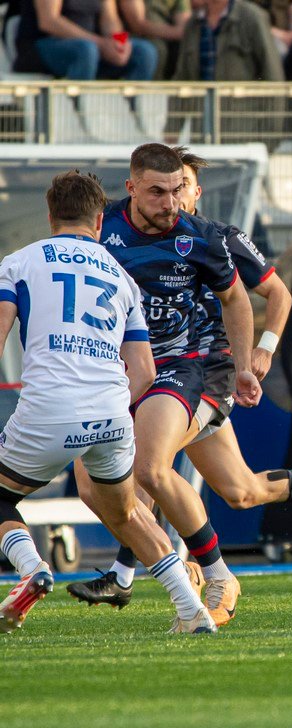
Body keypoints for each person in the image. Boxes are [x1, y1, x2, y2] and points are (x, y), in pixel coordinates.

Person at [0, 172, 214, 634]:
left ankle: (31, 568)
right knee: (126, 513)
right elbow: (145, 371)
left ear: (50, 213)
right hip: (113, 414)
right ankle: (191, 609)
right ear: (100, 219)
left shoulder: (18, 263)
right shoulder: (121, 276)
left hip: (47, 411)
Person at [63, 144, 259, 627]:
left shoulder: (205, 238)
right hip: (113, 371)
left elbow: (236, 300)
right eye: (156, 192)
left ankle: (217, 575)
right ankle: (168, 565)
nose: (169, 203)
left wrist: (248, 362)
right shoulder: (99, 227)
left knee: (151, 469)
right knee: (96, 491)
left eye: (176, 191)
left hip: (182, 364)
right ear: (130, 189)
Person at [15, 0, 158, 79]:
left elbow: (110, 18)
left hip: (92, 47)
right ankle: (76, 114)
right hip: (43, 46)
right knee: (86, 51)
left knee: (144, 52)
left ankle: (132, 118)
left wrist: (119, 42)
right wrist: (100, 44)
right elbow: (49, 20)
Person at [173, 0, 284, 80]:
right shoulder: (193, 24)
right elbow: (181, 76)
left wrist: (274, 111)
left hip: (242, 110)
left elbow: (272, 72)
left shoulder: (252, 17)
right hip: (201, 110)